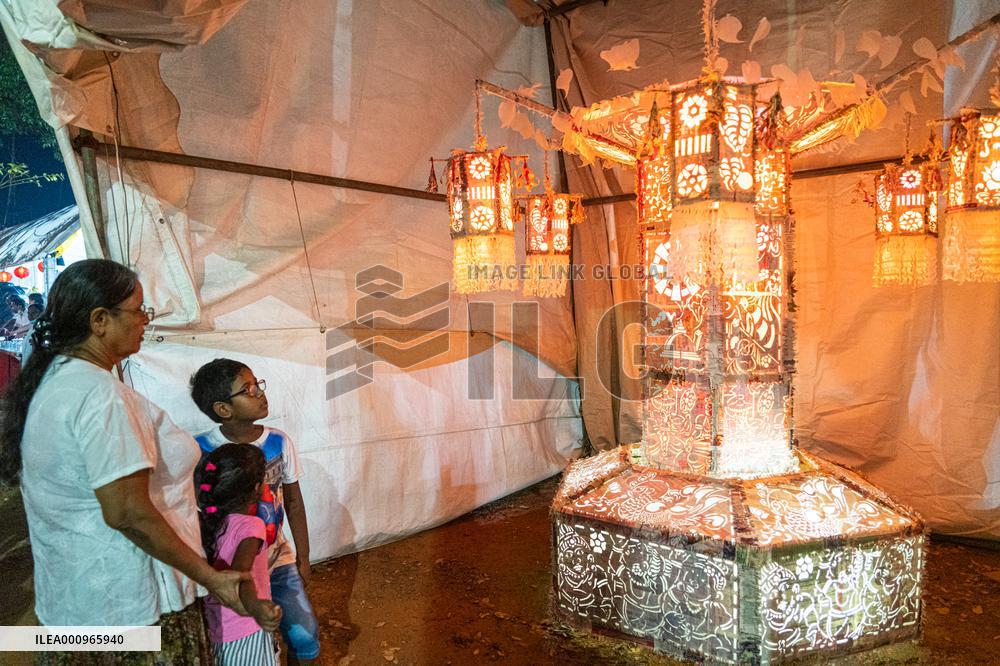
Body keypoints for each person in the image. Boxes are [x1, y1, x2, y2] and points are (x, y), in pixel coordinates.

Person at [0, 259, 250, 664]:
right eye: (137, 310)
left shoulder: (57, 380)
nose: (144, 321)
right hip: (130, 612)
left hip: (79, 608)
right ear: (100, 320)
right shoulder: (99, 395)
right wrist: (211, 578)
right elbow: (128, 512)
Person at [191, 359, 320, 664]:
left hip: (277, 558)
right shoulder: (197, 451)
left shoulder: (278, 442)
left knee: (305, 634)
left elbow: (293, 502)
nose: (260, 392)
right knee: (242, 635)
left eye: (257, 384)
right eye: (248, 389)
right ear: (223, 408)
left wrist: (303, 556)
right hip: (230, 569)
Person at [196, 443, 282, 665]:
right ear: (257, 488)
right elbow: (240, 574)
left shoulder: (206, 523)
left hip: (214, 630)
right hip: (246, 630)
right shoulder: (251, 526)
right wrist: (255, 608)